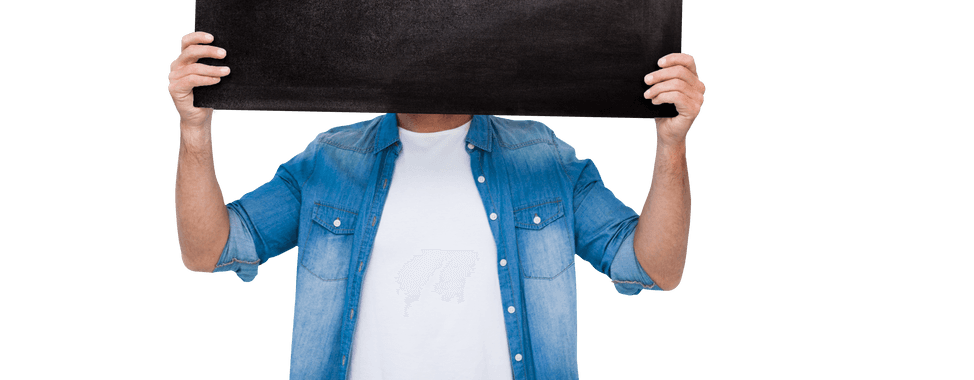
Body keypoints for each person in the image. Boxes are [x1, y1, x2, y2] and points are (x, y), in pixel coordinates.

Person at [170, 31, 704, 380]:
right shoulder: (330, 162)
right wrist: (194, 134)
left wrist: (671, 142)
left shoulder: (544, 160)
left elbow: (653, 267)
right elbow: (210, 250)